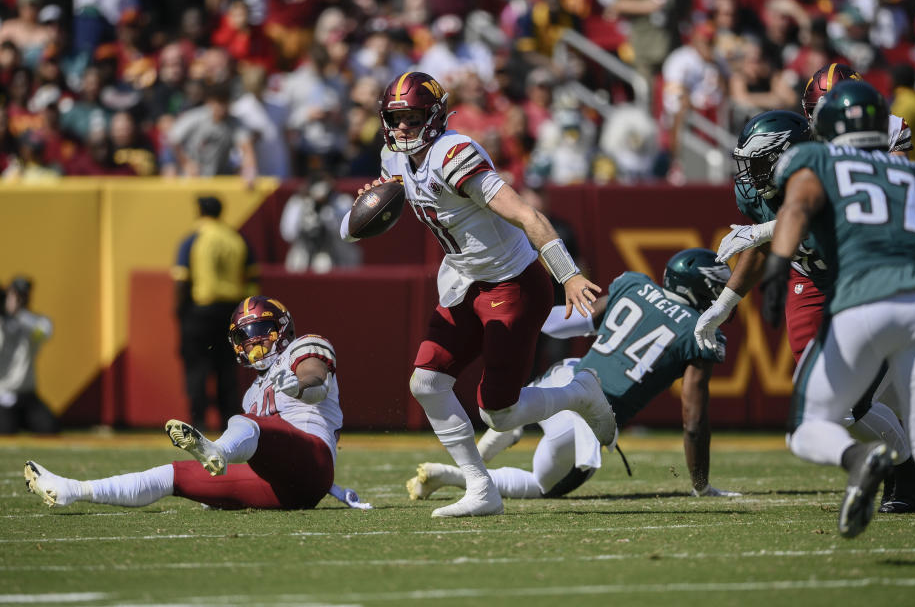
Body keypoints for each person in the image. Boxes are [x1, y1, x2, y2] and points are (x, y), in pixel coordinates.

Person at [340, 71, 616, 518]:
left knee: (499, 414)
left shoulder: (455, 154)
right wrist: (360, 212)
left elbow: (528, 215)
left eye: (412, 118)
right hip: (463, 280)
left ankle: (579, 392)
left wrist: (567, 275)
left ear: (434, 117)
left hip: (512, 282)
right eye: (396, 118)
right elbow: (352, 230)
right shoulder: (393, 158)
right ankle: (481, 488)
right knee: (426, 383)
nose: (403, 128)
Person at [694, 106, 915, 514]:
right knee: (871, 398)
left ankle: (910, 471)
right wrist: (725, 304)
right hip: (819, 282)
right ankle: (912, 468)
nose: (750, 175)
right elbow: (766, 244)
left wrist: (763, 231)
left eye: (760, 163)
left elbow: (815, 216)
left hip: (868, 286)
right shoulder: (770, 189)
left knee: (870, 401)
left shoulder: (833, 171)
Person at [759, 80, 915, 538]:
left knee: (808, 426)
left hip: (861, 301)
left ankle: (859, 459)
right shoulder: (913, 174)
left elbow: (797, 208)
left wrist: (776, 267)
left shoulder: (818, 159)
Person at [407, 249, 741, 502]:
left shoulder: (635, 286)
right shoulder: (700, 332)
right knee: (542, 485)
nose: (724, 299)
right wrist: (701, 484)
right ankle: (454, 475)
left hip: (562, 376)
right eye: (719, 291)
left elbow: (574, 319)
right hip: (588, 417)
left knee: (511, 409)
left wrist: (507, 326)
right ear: (701, 290)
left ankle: (485, 452)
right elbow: (694, 421)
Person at [24, 296, 370, 511]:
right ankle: (75, 490)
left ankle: (215, 451)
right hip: (281, 488)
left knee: (247, 424)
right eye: (244, 336)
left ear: (282, 329)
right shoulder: (254, 391)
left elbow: (316, 382)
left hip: (313, 460)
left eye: (261, 331)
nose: (252, 343)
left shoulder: (304, 347)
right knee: (173, 475)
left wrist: (297, 387)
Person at [172, 195, 259, 431]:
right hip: (231, 312)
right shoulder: (236, 238)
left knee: (197, 369)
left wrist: (180, 313)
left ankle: (197, 421)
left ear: (199, 211)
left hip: (200, 312)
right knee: (227, 370)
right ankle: (229, 420)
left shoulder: (194, 238)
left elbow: (182, 281)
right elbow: (253, 278)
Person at [0, 276, 57, 434]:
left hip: (28, 395)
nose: (20, 299)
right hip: (4, 395)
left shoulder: (34, 322)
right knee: (5, 433)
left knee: (49, 428)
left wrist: (17, 313)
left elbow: (44, 332)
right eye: (16, 295)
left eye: (23, 295)